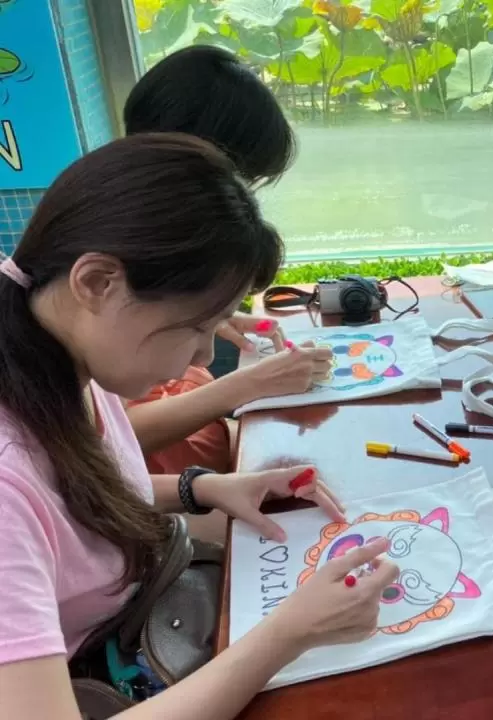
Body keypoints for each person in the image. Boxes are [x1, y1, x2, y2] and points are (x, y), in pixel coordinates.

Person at [0, 134, 398, 719]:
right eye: (193, 327)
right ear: (96, 282)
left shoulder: (53, 349)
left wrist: (202, 488)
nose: (203, 357)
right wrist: (286, 633)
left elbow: (59, 506)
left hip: (145, 609)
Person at [122, 45, 331, 495]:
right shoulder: (117, 252)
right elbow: (104, 440)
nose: (238, 198)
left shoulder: (150, 223)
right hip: (161, 494)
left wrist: (210, 317)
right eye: (239, 179)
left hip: (197, 472)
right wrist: (249, 384)